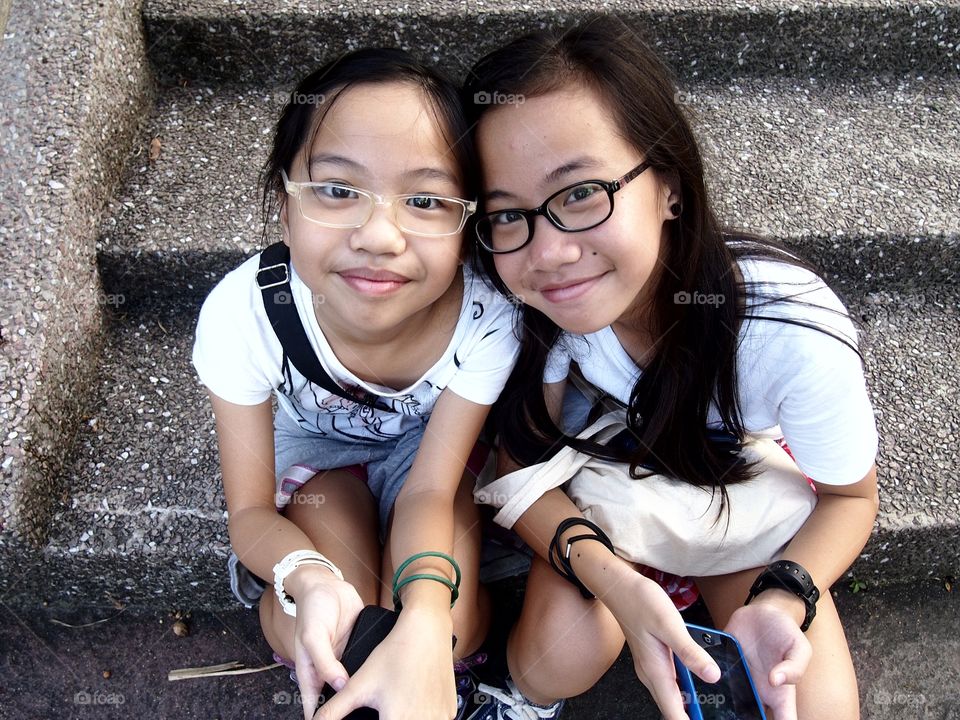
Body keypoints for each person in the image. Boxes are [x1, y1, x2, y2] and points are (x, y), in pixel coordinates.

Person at [463, 16, 879, 720]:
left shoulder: (786, 331)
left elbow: (850, 499)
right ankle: (514, 697)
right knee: (556, 658)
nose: (548, 253)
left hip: (729, 488)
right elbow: (514, 470)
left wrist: (784, 594)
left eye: (580, 193)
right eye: (509, 215)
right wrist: (617, 583)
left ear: (669, 185)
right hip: (607, 490)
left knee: (810, 708)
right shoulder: (520, 310)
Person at [193, 48, 519, 720]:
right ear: (284, 206)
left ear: (467, 226)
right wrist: (306, 579)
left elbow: (430, 488)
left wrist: (428, 620)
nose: (378, 236)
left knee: (454, 628)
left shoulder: (488, 319)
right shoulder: (243, 314)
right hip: (316, 460)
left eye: (426, 200)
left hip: (428, 463)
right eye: (338, 191)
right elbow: (251, 516)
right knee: (333, 621)